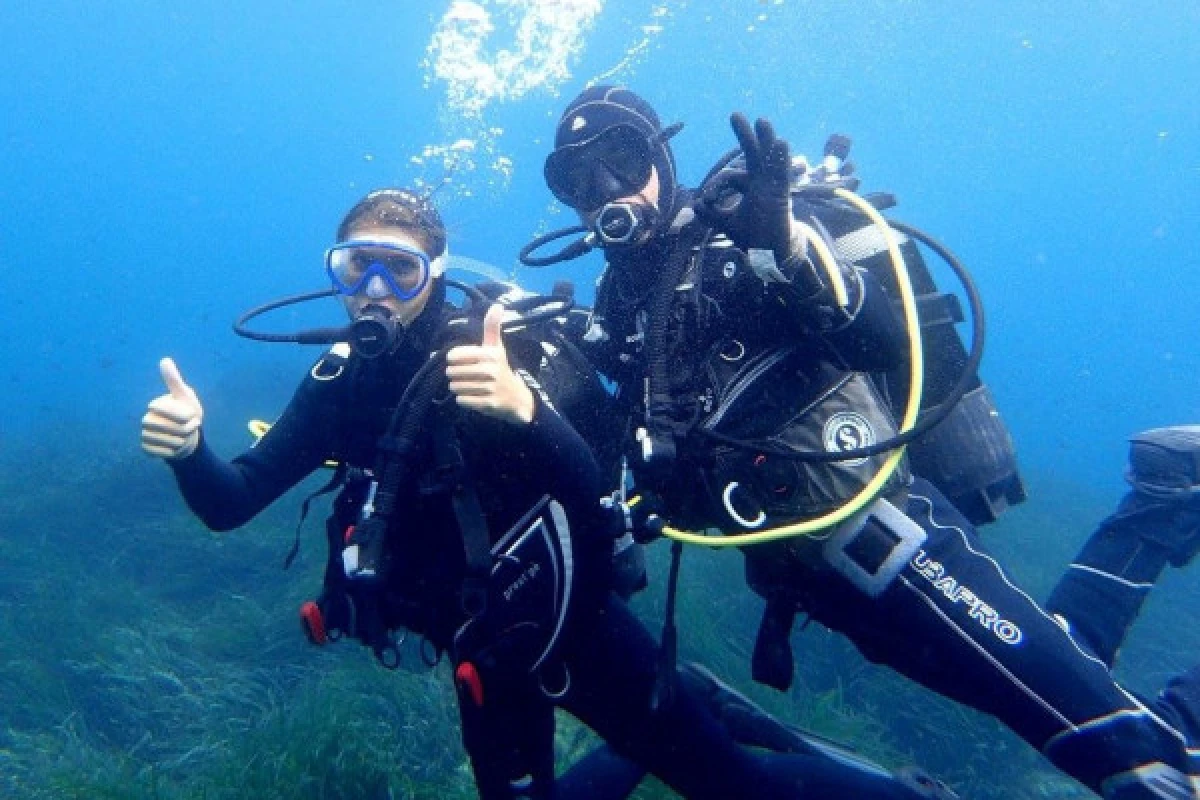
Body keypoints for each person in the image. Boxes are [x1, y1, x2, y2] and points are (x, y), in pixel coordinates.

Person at [140, 188, 940, 799]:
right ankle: (685, 703)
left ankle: (909, 792)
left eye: (401, 269)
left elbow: (596, 489)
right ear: (338, 273)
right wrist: (189, 452)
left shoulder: (491, 359)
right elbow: (229, 502)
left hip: (578, 624)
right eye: (357, 266)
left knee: (736, 790)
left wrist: (523, 410)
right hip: (483, 651)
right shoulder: (337, 385)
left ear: (436, 277)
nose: (375, 289)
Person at [523, 84, 1200, 800]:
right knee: (1059, 672)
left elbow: (882, 339)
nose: (604, 190)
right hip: (820, 587)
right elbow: (638, 466)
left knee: (1139, 764)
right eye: (578, 179)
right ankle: (1158, 498)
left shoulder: (740, 228)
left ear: (661, 154)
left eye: (623, 161)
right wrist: (551, 384)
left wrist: (786, 246)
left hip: (896, 550)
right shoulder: (617, 307)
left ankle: (1157, 524)